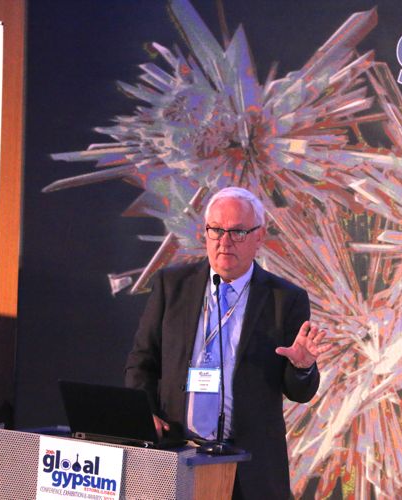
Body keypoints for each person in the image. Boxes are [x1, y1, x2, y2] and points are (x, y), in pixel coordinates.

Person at [125, 187, 326, 499]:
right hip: (175, 456)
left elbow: (299, 391)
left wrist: (302, 367)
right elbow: (142, 361)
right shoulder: (172, 286)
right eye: (216, 230)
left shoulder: (285, 299)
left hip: (248, 467)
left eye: (237, 232)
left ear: (259, 237)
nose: (224, 241)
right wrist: (144, 413)